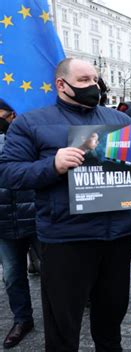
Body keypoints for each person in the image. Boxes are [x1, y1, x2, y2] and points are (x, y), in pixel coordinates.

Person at [0, 58, 131, 351]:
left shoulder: (120, 121)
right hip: (66, 239)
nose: (93, 86)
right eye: (84, 80)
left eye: (95, 80)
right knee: (63, 326)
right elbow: (8, 171)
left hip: (117, 236)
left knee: (110, 321)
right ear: (61, 84)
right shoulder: (30, 123)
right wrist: (52, 165)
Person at [0, 100, 39, 349]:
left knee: (53, 271)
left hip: (35, 216)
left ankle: (62, 313)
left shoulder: (30, 137)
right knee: (13, 276)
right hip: (4, 221)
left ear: (12, 115)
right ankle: (22, 319)